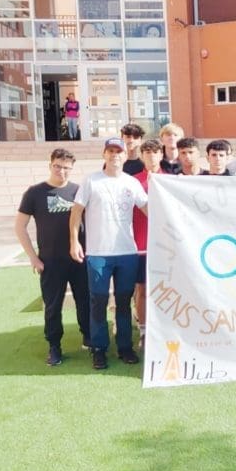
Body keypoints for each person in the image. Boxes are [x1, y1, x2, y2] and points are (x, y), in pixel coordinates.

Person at [70, 138, 150, 370]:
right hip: (98, 254)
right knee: (99, 301)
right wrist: (74, 242)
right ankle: (99, 349)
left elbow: (148, 209)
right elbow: (76, 213)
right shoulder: (91, 180)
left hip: (126, 252)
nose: (115, 155)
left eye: (118, 151)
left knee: (124, 302)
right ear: (104, 154)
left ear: (125, 156)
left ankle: (125, 347)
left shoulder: (132, 183)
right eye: (110, 151)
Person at [14, 149, 90, 366]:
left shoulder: (79, 191)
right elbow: (20, 227)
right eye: (57, 166)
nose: (61, 171)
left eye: (66, 168)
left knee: (84, 300)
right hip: (50, 261)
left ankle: (89, 337)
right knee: (53, 306)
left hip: (79, 259)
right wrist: (33, 258)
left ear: (72, 169)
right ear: (50, 165)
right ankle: (54, 346)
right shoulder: (35, 193)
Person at [131, 139, 163, 344]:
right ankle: (143, 332)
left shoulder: (172, 180)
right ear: (142, 156)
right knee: (142, 289)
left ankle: (164, 329)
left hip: (167, 247)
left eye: (155, 152)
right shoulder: (133, 181)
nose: (151, 156)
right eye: (147, 152)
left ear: (161, 155)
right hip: (141, 246)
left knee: (166, 290)